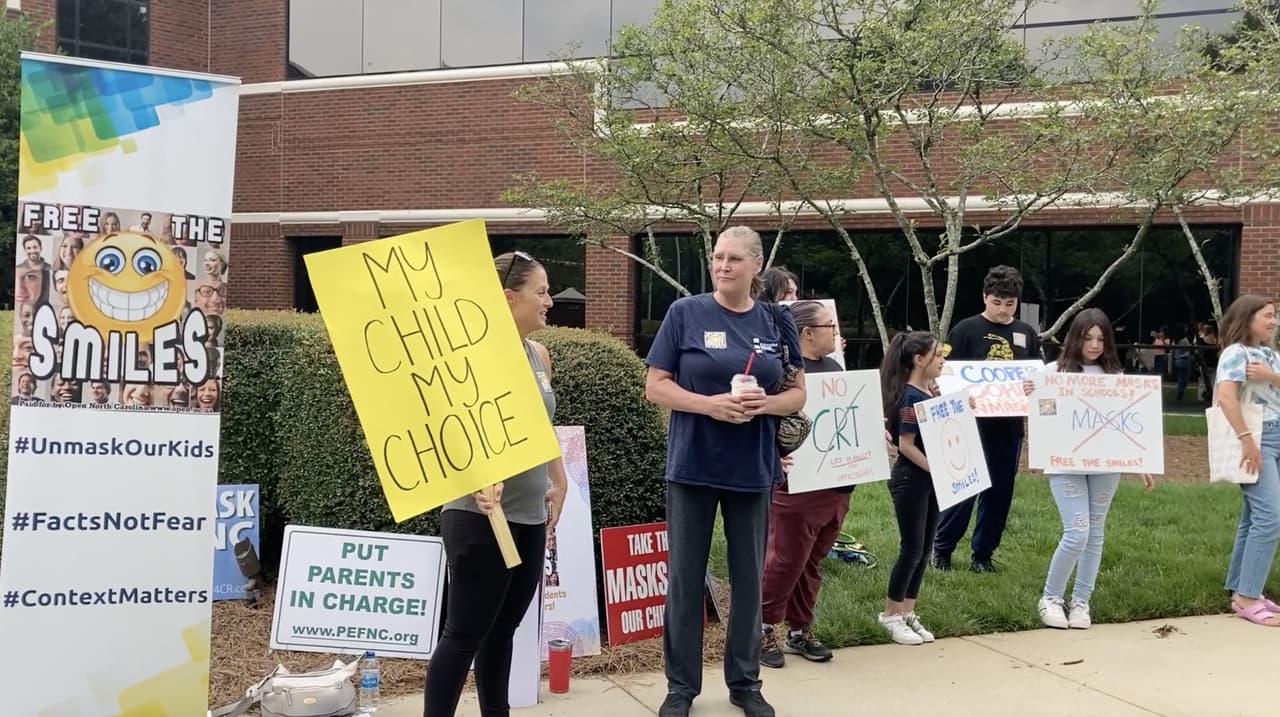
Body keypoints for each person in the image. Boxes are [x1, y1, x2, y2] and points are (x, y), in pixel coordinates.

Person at [644, 226, 806, 717]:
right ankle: (680, 687)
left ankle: (745, 682)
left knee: (748, 579)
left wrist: (765, 405)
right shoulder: (685, 313)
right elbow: (656, 386)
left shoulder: (778, 322)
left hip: (752, 469)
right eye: (717, 257)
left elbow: (798, 394)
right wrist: (708, 406)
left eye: (734, 258)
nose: (723, 265)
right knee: (686, 579)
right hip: (693, 466)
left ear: (756, 265)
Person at [423, 250, 570, 716]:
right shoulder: (471, 357)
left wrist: (559, 480)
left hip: (528, 514)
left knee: (503, 630)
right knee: (465, 631)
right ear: (509, 297)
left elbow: (539, 428)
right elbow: (444, 427)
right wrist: (478, 474)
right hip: (478, 513)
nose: (549, 300)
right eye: (541, 291)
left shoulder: (538, 355)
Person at [1029, 309, 1155, 631]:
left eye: (1101, 339)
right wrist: (1031, 392)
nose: (1095, 345)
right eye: (1088, 338)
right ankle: (1051, 598)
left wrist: (1141, 461)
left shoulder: (1115, 377)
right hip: (1065, 464)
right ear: (1076, 337)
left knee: (1095, 533)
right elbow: (1036, 408)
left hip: (1106, 465)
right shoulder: (1052, 371)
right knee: (1078, 531)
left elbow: (1132, 424)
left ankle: (1081, 601)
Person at [933, 265, 1042, 573]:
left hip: (1009, 425)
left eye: (1009, 304)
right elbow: (945, 373)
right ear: (985, 297)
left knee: (999, 492)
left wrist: (1034, 385)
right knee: (964, 487)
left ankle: (983, 554)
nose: (1003, 310)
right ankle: (942, 549)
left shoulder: (1026, 333)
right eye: (997, 302)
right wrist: (957, 395)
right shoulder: (965, 330)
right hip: (971, 423)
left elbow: (1039, 373)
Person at [759, 300, 849, 668]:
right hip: (797, 486)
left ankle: (800, 628)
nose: (836, 332)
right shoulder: (786, 374)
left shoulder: (834, 369)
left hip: (837, 485)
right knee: (785, 559)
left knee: (812, 561)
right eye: (830, 326)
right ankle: (762, 628)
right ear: (807, 333)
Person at [1212, 294, 1280, 627]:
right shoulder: (1235, 353)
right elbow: (1226, 396)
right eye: (1267, 315)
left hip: (1275, 434)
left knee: (1253, 518)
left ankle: (1241, 588)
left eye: (1274, 316)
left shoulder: (1268, 356)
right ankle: (1248, 597)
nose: (1273, 321)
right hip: (1256, 435)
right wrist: (1246, 440)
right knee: (1270, 518)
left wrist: (1270, 375)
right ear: (1248, 317)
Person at [878, 331, 948, 645]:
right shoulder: (909, 397)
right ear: (919, 360)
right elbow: (906, 446)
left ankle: (908, 611)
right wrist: (936, 468)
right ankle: (890, 613)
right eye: (938, 354)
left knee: (925, 549)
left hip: (931, 480)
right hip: (911, 479)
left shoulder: (928, 393)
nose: (943, 360)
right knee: (911, 548)